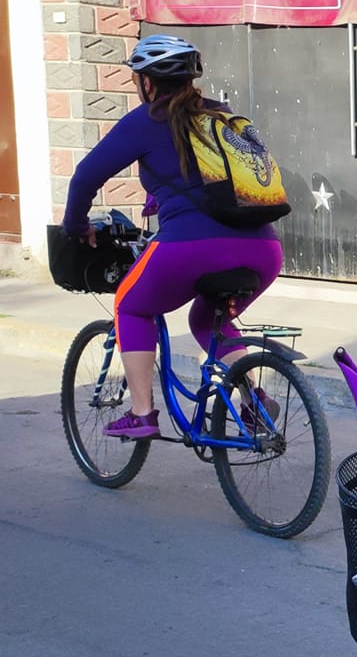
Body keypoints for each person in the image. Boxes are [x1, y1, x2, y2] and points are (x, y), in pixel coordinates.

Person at [61, 35, 284, 439]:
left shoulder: (147, 120)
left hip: (193, 246)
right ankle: (254, 399)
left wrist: (77, 227)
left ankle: (142, 413)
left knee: (129, 304)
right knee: (207, 317)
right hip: (265, 250)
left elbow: (84, 178)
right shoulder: (221, 116)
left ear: (146, 83)